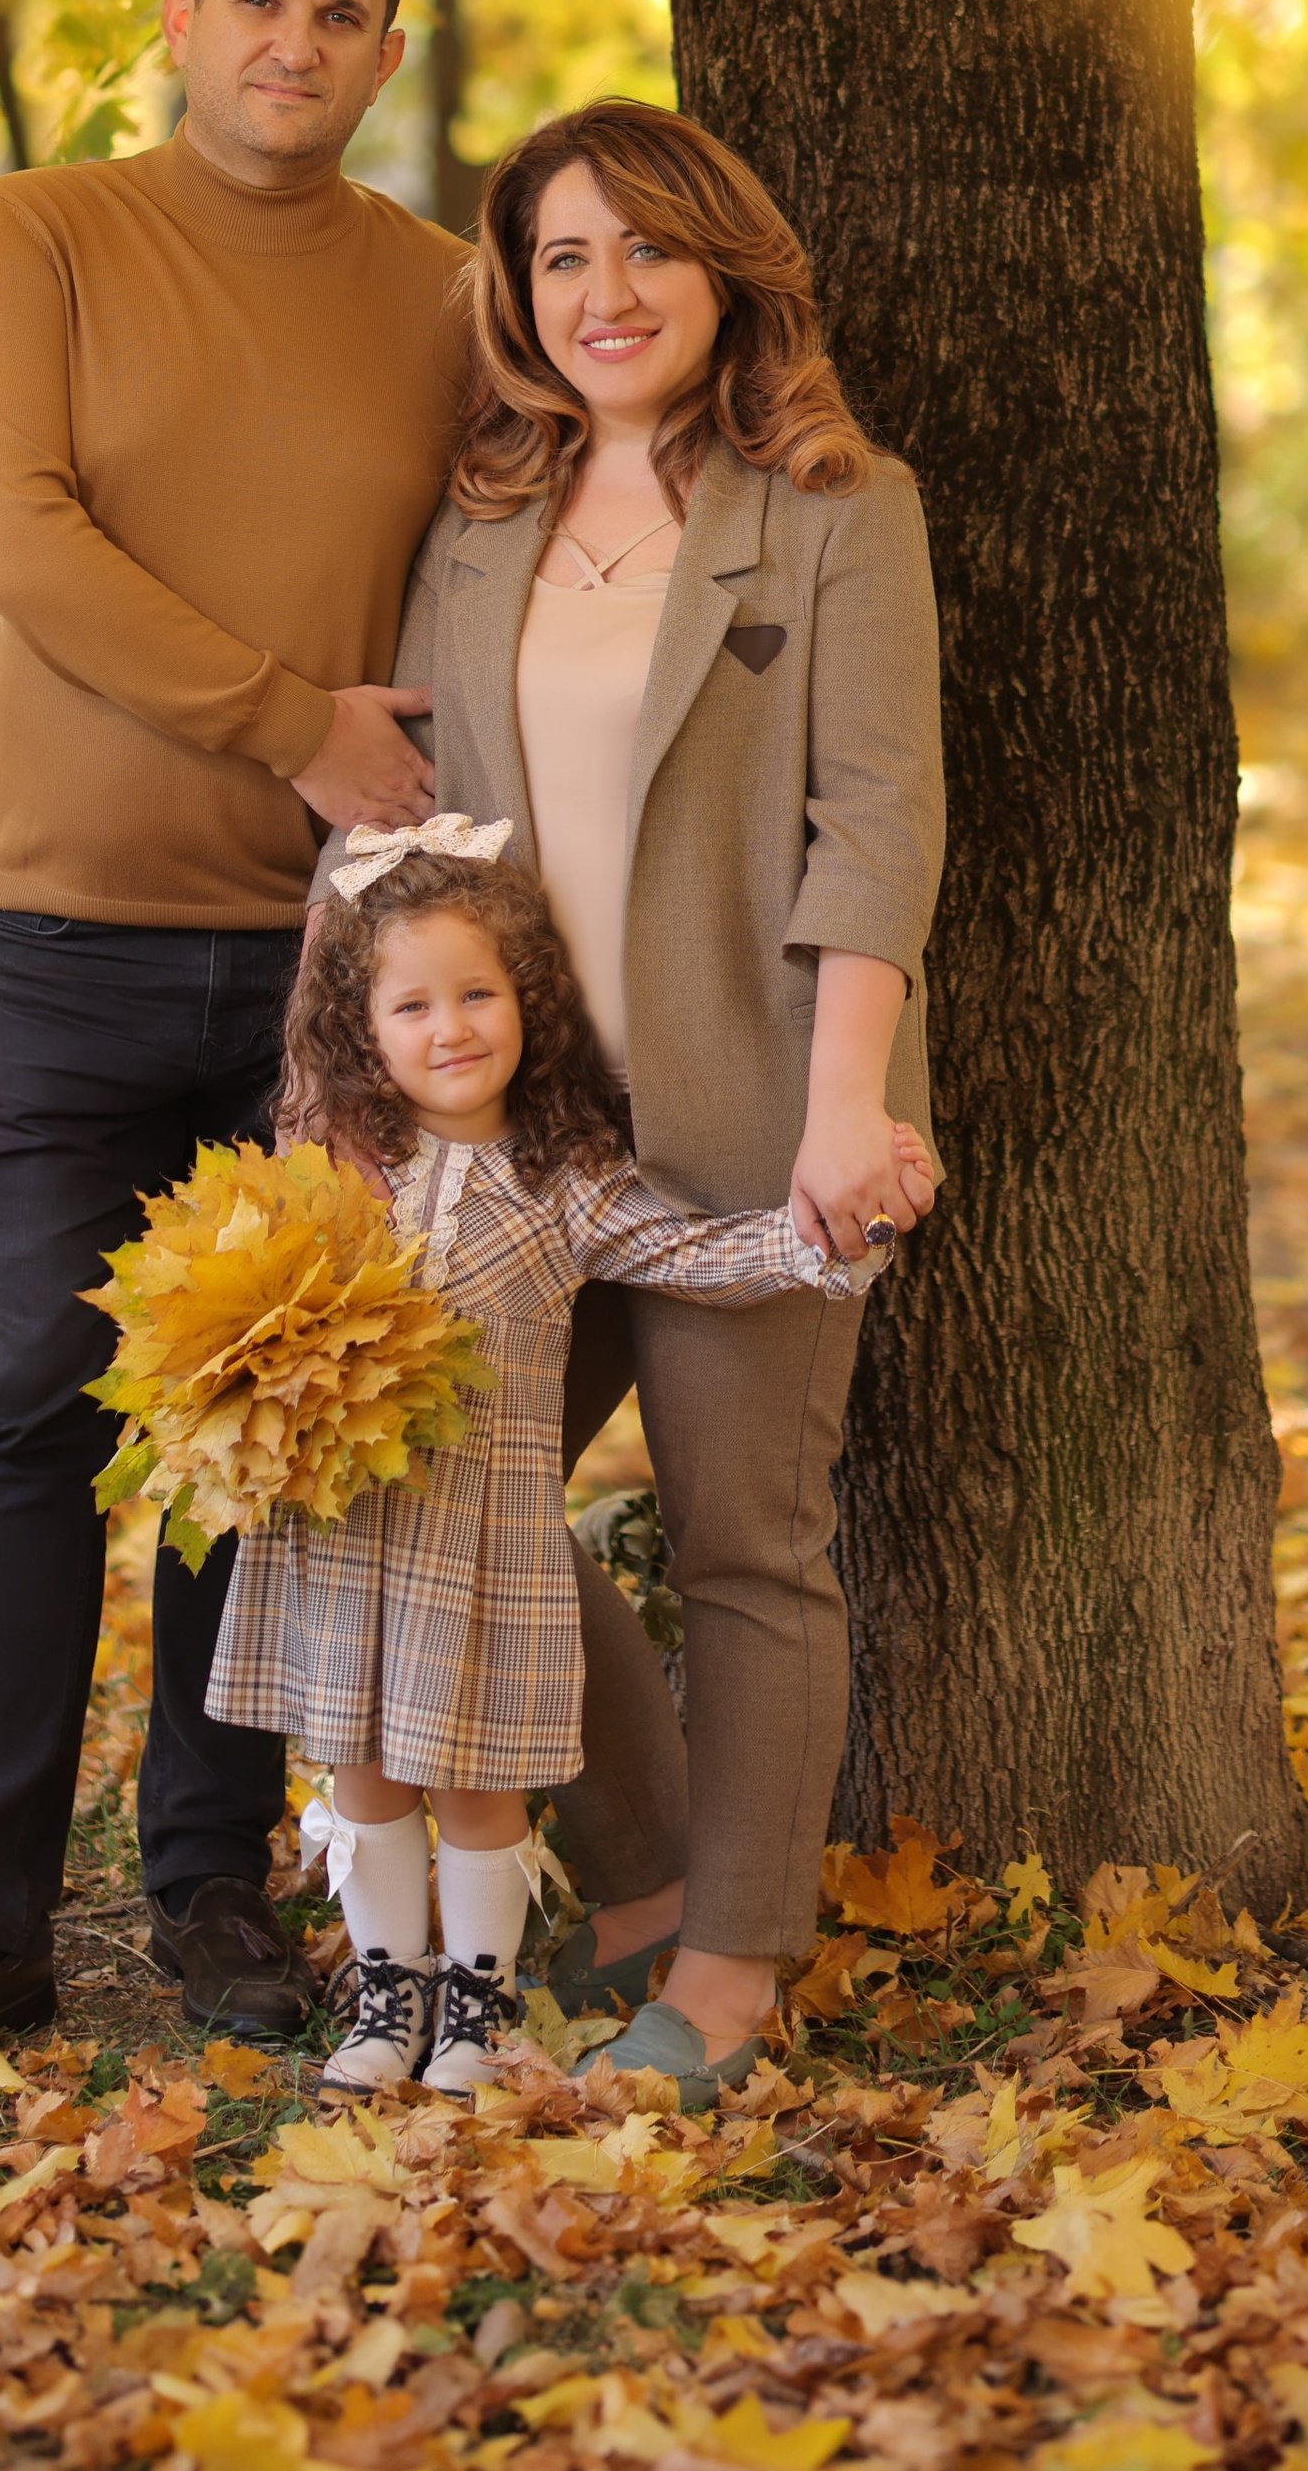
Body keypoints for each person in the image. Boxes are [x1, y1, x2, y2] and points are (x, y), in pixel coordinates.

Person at [0, 0, 468, 2088]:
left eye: (340, 11)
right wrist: (293, 718)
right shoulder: (37, 234)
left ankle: (206, 1879)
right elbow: (22, 542)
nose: (294, 41)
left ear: (386, 50)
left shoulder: (447, 289)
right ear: (180, 16)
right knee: (31, 1416)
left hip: (327, 970)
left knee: (256, 1434)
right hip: (75, 944)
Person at [319, 97, 944, 2105]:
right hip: (524, 1132)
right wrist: (363, 1111)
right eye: (560, 256)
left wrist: (844, 1104)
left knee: (744, 1534)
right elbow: (421, 849)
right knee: (439, 1470)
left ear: (721, 271)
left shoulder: (838, 503)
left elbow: (876, 824)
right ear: (515, 292)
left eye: (643, 251)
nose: (604, 292)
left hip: (769, 1107)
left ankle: (738, 1969)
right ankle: (648, 1867)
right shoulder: (478, 517)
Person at [214, 826, 924, 2101]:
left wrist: (831, 1236)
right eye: (412, 1004)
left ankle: (471, 2019)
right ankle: (389, 2002)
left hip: (482, 1546)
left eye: (479, 994)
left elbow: (700, 1257)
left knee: (478, 1790)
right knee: (366, 1780)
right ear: (360, 1027)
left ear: (530, 1004)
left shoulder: (567, 1182)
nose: (451, 1028)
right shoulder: (330, 1179)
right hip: (346, 1537)